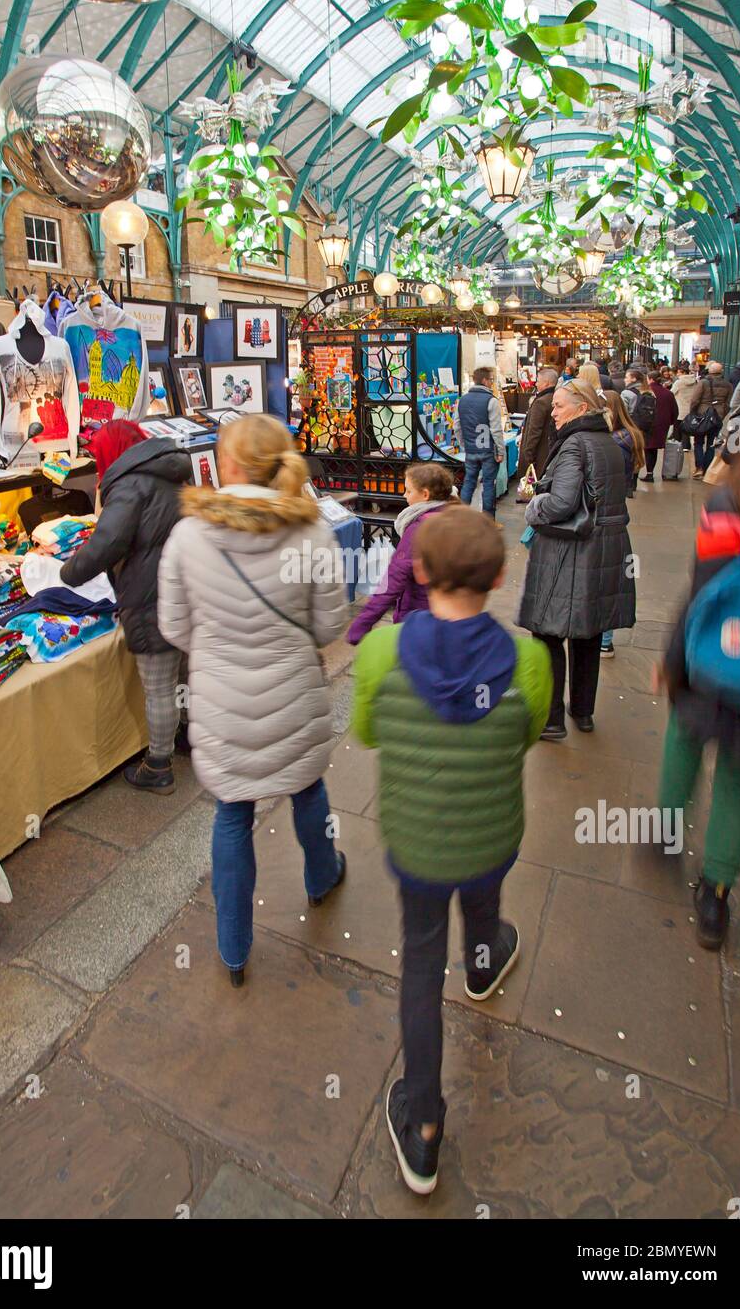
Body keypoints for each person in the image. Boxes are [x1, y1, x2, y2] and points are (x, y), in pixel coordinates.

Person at [351, 506, 551, 1194]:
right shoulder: (528, 660)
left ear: (423, 571)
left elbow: (368, 732)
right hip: (492, 832)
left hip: (415, 841)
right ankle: (486, 962)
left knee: (421, 959)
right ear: (498, 577)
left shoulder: (380, 652)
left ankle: (425, 1124)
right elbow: (527, 737)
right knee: (485, 905)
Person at [157, 415, 348, 986]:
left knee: (232, 812)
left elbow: (173, 625)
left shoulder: (188, 534)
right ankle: (322, 877)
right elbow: (331, 622)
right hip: (293, 692)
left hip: (220, 700)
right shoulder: (312, 533)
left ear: (229, 463)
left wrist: (219, 651)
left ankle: (234, 949)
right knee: (308, 789)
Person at [656, 399, 740, 949]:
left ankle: (666, 832)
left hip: (711, 666)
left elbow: (705, 592)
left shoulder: (729, 503)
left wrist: (674, 659)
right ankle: (715, 896)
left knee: (683, 740)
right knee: (739, 783)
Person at [60, 420, 193, 794]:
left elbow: (108, 542)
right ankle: (185, 736)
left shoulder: (131, 484)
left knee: (158, 685)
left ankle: (159, 764)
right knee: (180, 674)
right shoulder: (171, 472)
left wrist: (66, 572)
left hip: (150, 596)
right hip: (182, 589)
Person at [518, 379, 636, 738]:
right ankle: (582, 712)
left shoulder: (573, 445)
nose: (552, 412)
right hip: (607, 548)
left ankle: (551, 720)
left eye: (558, 406)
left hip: (570, 553)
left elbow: (560, 504)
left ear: (582, 408)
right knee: (589, 632)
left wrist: (533, 504)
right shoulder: (609, 442)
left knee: (549, 633)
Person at [346, 462, 453, 645]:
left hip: (418, 615)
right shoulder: (453, 517)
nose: (404, 495)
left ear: (425, 494)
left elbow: (394, 578)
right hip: (448, 614)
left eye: (409, 491)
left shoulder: (419, 528)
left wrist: (362, 624)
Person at [600, 392, 645, 658]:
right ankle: (605, 638)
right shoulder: (630, 435)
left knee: (607, 577)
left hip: (607, 515)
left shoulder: (614, 443)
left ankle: (604, 638)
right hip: (616, 513)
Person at [455, 366, 505, 520]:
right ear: (484, 381)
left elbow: (457, 426)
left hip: (471, 450)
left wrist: (464, 443)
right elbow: (496, 430)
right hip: (488, 450)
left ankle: (462, 517)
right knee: (489, 484)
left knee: (469, 482)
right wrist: (501, 451)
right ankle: (489, 520)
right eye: (491, 380)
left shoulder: (461, 400)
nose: (492, 383)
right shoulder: (491, 401)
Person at [688, 361, 732, 477]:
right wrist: (722, 414)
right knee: (711, 443)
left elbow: (695, 400)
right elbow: (728, 403)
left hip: (702, 416)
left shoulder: (703, 383)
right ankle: (707, 468)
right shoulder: (728, 385)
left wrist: (693, 412)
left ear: (709, 371)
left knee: (698, 442)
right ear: (721, 372)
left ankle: (699, 468)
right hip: (717, 417)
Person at [515, 365, 557, 483]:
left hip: (539, 457)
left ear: (547, 383)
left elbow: (534, 431)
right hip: (548, 453)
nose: (536, 384)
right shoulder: (555, 398)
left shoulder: (541, 402)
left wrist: (528, 456)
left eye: (538, 381)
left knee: (533, 491)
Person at [641, 368, 679, 483]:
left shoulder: (646, 392)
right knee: (653, 448)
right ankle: (650, 473)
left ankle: (648, 473)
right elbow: (675, 410)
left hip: (647, 424)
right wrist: (670, 421)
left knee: (647, 448)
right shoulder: (668, 393)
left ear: (650, 379)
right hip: (663, 424)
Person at [672, 363, 698, 447]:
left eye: (678, 372)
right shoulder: (695, 381)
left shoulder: (679, 382)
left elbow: (671, 393)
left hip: (679, 408)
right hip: (690, 409)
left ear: (683, 373)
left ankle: (677, 444)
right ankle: (686, 445)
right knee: (686, 428)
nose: (677, 374)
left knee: (677, 427)